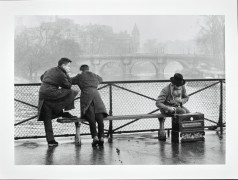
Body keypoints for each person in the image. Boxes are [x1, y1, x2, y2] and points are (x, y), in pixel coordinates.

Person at [37, 58, 78, 147]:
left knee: (47, 118)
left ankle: (51, 141)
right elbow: (68, 86)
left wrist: (51, 82)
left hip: (43, 94)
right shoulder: (61, 73)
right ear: (63, 66)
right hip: (51, 93)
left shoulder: (50, 69)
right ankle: (64, 112)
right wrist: (67, 75)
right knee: (73, 92)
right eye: (68, 66)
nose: (69, 68)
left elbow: (41, 77)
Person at [71, 65, 108, 147]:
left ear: (81, 70)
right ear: (88, 69)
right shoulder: (94, 75)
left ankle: (95, 137)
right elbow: (101, 79)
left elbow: (70, 81)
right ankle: (101, 137)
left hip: (87, 95)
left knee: (91, 119)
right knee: (99, 118)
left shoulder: (80, 76)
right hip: (96, 95)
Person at [155, 73, 190, 141]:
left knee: (189, 114)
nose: (179, 86)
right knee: (182, 111)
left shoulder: (182, 87)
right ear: (173, 83)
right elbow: (158, 103)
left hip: (177, 106)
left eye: (180, 85)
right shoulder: (166, 89)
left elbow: (186, 97)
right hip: (166, 108)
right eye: (177, 85)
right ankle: (177, 131)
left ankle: (186, 134)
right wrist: (168, 108)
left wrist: (181, 101)